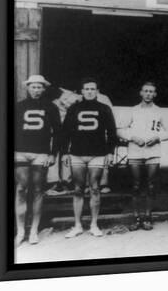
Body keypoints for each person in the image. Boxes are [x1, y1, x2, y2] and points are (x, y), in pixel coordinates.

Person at [61, 78, 118, 237]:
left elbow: (112, 132)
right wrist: (65, 152)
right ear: (82, 91)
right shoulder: (74, 108)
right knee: (78, 189)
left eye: (93, 89)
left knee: (95, 188)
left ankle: (94, 224)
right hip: (77, 153)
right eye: (86, 89)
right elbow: (65, 132)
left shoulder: (104, 108)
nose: (90, 91)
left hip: (97, 154)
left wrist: (110, 152)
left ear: (97, 91)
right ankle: (77, 225)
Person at [118, 82, 168, 230]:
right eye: (146, 91)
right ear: (141, 93)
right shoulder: (133, 110)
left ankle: (148, 216)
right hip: (135, 151)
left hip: (153, 151)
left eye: (151, 92)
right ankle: (137, 217)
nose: (148, 94)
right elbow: (120, 129)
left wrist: (157, 137)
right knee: (136, 185)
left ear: (155, 94)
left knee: (151, 185)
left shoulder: (160, 111)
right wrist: (132, 137)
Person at [14, 75, 61, 246]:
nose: (36, 90)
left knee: (38, 190)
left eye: (39, 87)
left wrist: (52, 154)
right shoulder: (18, 106)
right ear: (28, 88)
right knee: (20, 189)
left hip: (41, 153)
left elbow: (58, 133)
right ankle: (20, 231)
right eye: (33, 87)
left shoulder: (51, 107)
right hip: (20, 152)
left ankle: (33, 230)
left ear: (44, 89)